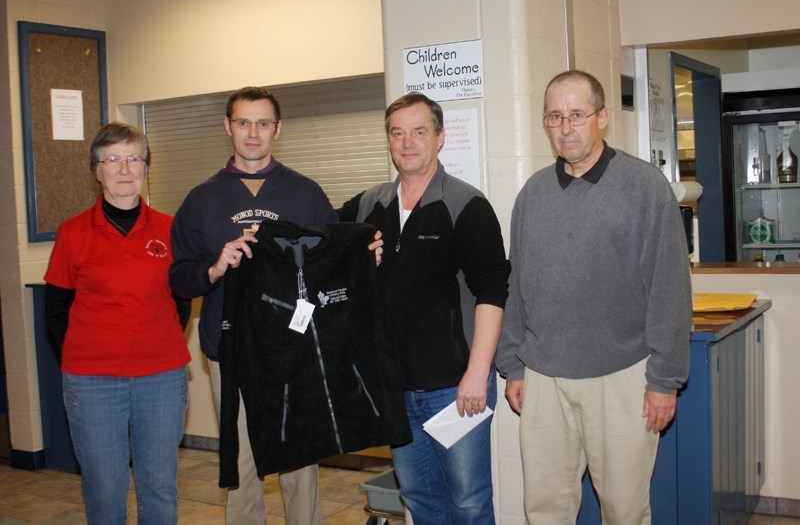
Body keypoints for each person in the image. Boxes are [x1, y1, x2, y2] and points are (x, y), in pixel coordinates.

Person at [495, 70, 693, 524]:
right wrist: (513, 364)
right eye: (555, 116)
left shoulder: (644, 188)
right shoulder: (533, 194)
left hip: (621, 377)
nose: (566, 127)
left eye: (577, 115)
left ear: (602, 117)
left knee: (624, 509)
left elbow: (670, 289)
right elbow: (517, 286)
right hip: (544, 378)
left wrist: (664, 380)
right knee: (545, 510)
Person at [337, 92, 510, 524]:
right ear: (389, 140)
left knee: (468, 502)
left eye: (419, 131)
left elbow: (492, 292)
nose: (407, 142)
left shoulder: (466, 205)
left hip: (453, 387)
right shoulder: (366, 206)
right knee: (418, 497)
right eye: (398, 133)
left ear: (440, 137)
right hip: (393, 385)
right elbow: (323, 255)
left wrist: (477, 372)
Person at [169, 86, 335, 525]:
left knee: (300, 462)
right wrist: (214, 269)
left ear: (277, 130)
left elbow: (332, 269)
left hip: (294, 351)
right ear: (228, 127)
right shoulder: (202, 200)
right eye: (244, 122)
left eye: (263, 123)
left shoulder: (305, 194)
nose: (253, 133)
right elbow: (179, 279)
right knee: (242, 465)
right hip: (233, 352)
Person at [44, 123, 191, 525]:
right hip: (92, 383)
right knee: (104, 488)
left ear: (145, 168)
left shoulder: (169, 228)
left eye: (133, 159)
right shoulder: (73, 232)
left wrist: (153, 343)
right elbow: (56, 311)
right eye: (112, 160)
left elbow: (180, 302)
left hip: (160, 378)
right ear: (97, 170)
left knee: (159, 486)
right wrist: (85, 359)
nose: (124, 169)